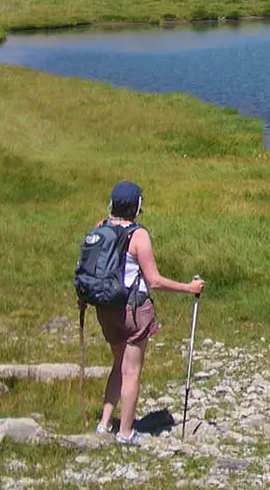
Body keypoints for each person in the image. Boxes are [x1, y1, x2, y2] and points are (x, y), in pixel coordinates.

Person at [90, 181, 205, 444]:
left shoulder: (99, 227)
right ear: (137, 206)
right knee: (131, 370)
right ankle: (126, 432)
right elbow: (154, 280)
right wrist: (189, 288)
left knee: (117, 364)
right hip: (133, 311)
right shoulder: (138, 235)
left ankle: (104, 423)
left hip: (105, 309)